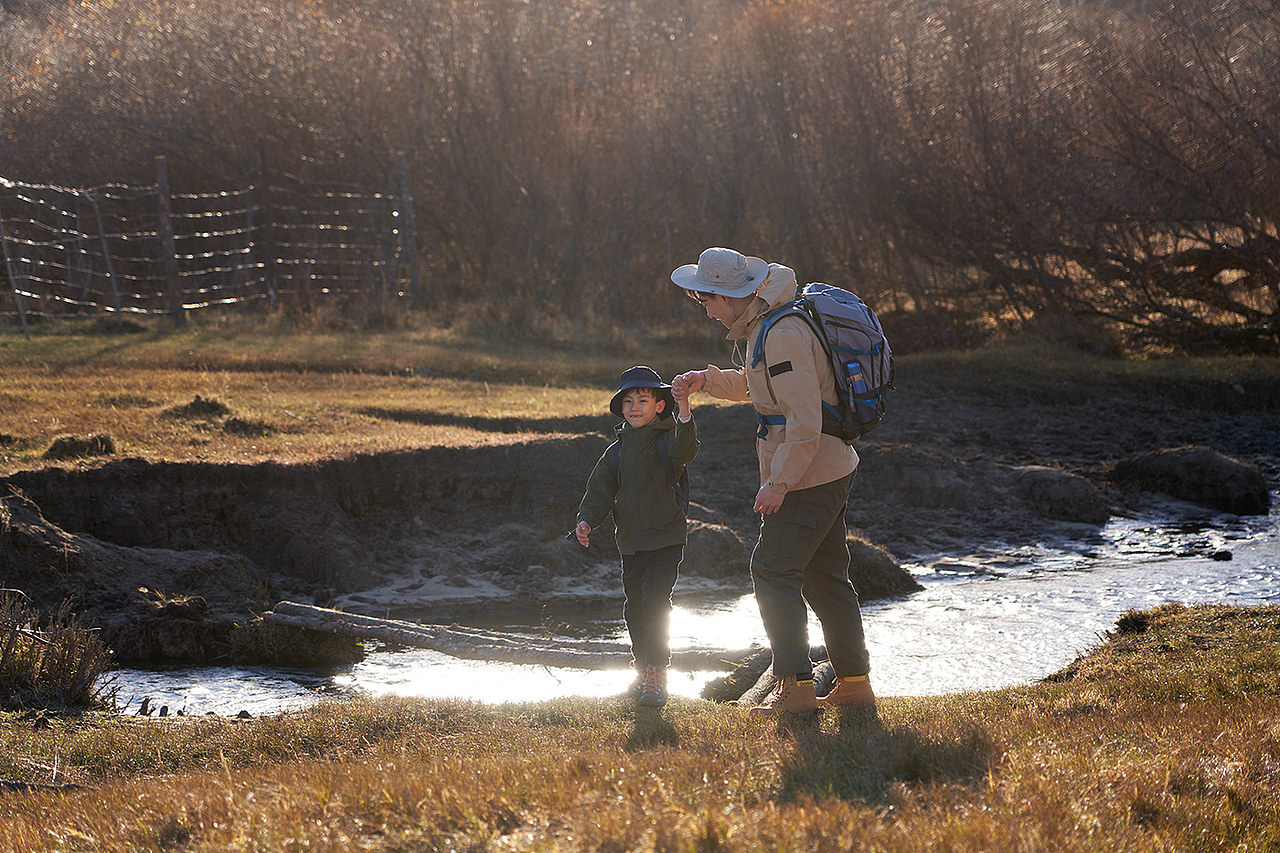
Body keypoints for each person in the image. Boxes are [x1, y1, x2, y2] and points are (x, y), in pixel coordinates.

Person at [670, 247, 875, 715]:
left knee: (772, 571)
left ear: (730, 296)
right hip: (825, 466)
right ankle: (854, 685)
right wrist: (709, 380)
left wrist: (778, 483)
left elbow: (803, 421)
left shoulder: (781, 332)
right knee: (825, 580)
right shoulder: (768, 325)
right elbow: (761, 386)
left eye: (707, 300)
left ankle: (797, 688)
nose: (705, 309)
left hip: (810, 473)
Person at [575, 365, 699, 707]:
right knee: (635, 608)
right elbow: (599, 490)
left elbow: (686, 451)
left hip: (666, 540)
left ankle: (658, 672)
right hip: (630, 543)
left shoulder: (668, 440)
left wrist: (685, 408)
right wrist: (587, 521)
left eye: (642, 400)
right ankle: (643, 670)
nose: (634, 407)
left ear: (659, 405)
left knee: (656, 604)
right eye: (628, 401)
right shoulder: (615, 451)